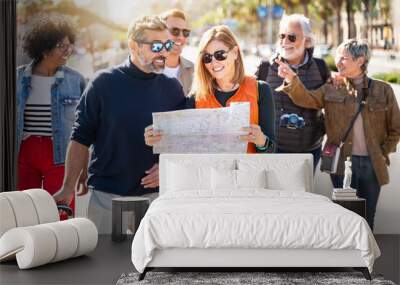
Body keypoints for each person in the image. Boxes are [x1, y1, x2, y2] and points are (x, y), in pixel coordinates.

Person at [53, 16, 186, 233]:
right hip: (107, 198)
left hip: (156, 199)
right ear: (134, 45)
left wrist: (166, 166)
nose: (164, 52)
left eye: (168, 45)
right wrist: (67, 187)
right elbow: (80, 137)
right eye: (157, 46)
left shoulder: (173, 88)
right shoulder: (102, 83)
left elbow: (184, 140)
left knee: (153, 267)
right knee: (104, 264)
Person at [276, 39, 400, 230]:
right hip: (341, 163)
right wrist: (292, 79)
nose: (338, 62)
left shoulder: (383, 90)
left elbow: (396, 127)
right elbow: (307, 99)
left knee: (368, 213)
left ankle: (365, 256)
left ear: (360, 60)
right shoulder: (332, 87)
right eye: (338, 58)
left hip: (372, 163)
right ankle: (347, 256)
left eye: (343, 58)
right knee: (345, 213)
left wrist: (383, 152)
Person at [145, 25, 275, 153]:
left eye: (220, 55)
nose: (213, 62)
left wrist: (261, 141)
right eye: (207, 57)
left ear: (235, 53)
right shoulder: (195, 98)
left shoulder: (260, 90)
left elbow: (272, 150)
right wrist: (156, 137)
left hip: (247, 172)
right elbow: (180, 145)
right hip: (208, 173)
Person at [16, 14, 86, 215]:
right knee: (25, 213)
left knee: (61, 213)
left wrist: (84, 168)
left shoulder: (76, 80)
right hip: (25, 154)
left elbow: (85, 127)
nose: (68, 50)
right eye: (61, 46)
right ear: (44, 48)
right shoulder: (17, 78)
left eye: (69, 44)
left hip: (61, 154)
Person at [255, 14, 330, 171]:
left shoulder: (321, 67)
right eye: (282, 36)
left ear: (307, 40)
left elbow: (328, 102)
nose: (285, 42)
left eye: (292, 37)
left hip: (310, 151)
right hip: (274, 150)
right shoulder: (265, 67)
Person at [160, 9, 194, 96]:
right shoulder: (146, 70)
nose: (181, 37)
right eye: (175, 31)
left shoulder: (194, 71)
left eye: (185, 32)